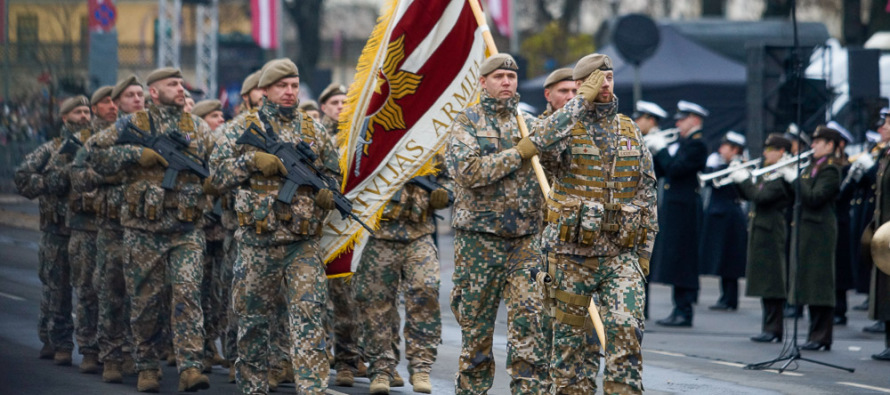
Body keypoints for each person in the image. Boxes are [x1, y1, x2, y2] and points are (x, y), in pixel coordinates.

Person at [528, 53, 658, 394]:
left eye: (610, 78)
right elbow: (536, 144)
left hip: (620, 255)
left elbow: (648, 194)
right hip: (573, 257)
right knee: (571, 349)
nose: (606, 84)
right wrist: (578, 103)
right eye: (597, 79)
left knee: (627, 330)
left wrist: (643, 256)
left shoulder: (629, 129)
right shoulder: (565, 129)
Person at [208, 58, 340, 394]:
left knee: (310, 314)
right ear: (264, 90)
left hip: (302, 242)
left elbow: (333, 175)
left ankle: (312, 387)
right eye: (282, 86)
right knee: (253, 321)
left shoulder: (314, 130)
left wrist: (328, 193)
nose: (289, 92)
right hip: (257, 242)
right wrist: (252, 161)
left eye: (294, 86)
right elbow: (214, 179)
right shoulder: (239, 129)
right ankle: (254, 386)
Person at [87, 67, 214, 392]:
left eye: (181, 83)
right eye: (172, 84)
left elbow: (218, 167)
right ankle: (146, 367)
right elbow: (93, 154)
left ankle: (189, 367)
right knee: (145, 302)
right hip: (143, 231)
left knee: (187, 294)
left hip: (186, 230)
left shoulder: (197, 128)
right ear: (154, 92)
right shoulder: (133, 124)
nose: (181, 88)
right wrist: (136, 154)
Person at [445, 53, 550, 394]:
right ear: (483, 82)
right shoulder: (467, 122)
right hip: (480, 241)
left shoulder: (529, 125)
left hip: (525, 240)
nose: (507, 82)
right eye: (499, 76)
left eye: (511, 76)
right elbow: (468, 172)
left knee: (529, 324)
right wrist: (517, 154)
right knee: (476, 331)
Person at [352, 165, 450, 394]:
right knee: (376, 305)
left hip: (419, 233)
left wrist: (443, 193)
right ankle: (380, 370)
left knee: (426, 291)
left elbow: (448, 177)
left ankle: (421, 368)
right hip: (378, 234)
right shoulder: (371, 134)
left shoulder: (430, 135)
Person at [14, 98, 89, 367]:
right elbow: (22, 177)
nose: (84, 116)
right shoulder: (52, 149)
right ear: (65, 117)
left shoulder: (93, 147)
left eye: (86, 111)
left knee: (89, 293)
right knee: (56, 292)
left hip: (86, 230)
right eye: (78, 112)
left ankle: (87, 345)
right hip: (56, 232)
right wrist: (49, 182)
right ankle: (59, 343)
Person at [83, 75, 145, 382]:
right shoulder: (105, 136)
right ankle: (110, 357)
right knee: (111, 294)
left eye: (140, 94)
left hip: (146, 227)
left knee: (144, 297)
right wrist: (123, 170)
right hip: (112, 229)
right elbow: (84, 171)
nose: (137, 99)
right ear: (116, 102)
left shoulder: (151, 131)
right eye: (130, 95)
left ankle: (136, 354)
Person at [647, 100, 709, 327]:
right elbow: (663, 171)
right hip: (676, 208)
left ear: (695, 119)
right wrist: (653, 151)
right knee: (675, 259)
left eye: (682, 119)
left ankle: (684, 311)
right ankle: (678, 308)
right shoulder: (684, 143)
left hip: (685, 209)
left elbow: (676, 169)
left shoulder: (697, 145)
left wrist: (662, 149)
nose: (678, 123)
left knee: (683, 259)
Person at [731, 133, 794, 342]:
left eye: (770, 149)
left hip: (772, 230)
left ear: (781, 152)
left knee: (773, 281)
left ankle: (773, 329)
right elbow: (752, 194)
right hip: (761, 230)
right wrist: (740, 180)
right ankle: (768, 327)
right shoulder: (770, 173)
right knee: (764, 281)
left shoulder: (781, 176)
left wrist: (745, 180)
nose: (765, 153)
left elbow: (760, 196)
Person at [787, 125, 843, 351]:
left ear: (830, 145)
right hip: (808, 231)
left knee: (820, 284)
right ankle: (814, 334)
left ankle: (822, 336)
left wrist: (794, 179)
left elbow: (814, 197)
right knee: (810, 283)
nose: (812, 146)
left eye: (818, 142)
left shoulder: (830, 170)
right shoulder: (813, 166)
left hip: (820, 232)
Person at [699, 131, 749, 311]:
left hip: (731, 217)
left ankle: (730, 298)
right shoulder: (720, 165)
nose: (721, 150)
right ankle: (725, 297)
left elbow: (744, 191)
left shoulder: (741, 166)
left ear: (735, 149)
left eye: (725, 147)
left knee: (731, 260)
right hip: (719, 216)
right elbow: (710, 182)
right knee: (721, 258)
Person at [866, 109, 890, 360]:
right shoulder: (885, 153)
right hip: (884, 231)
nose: (882, 127)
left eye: (887, 123)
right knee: (885, 288)